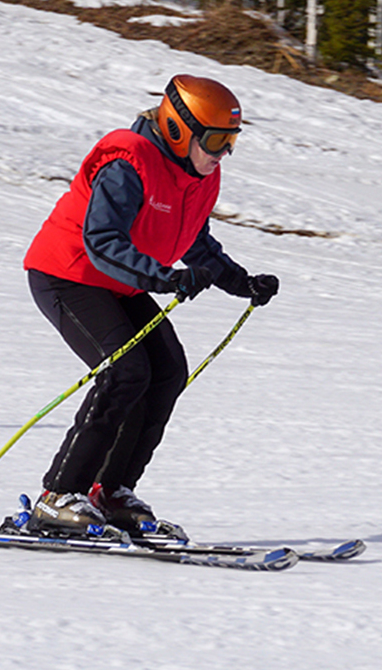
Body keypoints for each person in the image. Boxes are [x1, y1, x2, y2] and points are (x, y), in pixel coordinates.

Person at [22, 75, 279, 534]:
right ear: (180, 130)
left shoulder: (198, 177)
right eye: (217, 140)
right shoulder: (128, 163)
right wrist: (166, 278)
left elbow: (194, 242)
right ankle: (58, 494)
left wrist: (242, 284)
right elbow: (100, 239)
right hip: (68, 274)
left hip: (122, 284)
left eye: (232, 142)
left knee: (167, 372)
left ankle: (111, 491)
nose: (224, 153)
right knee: (126, 370)